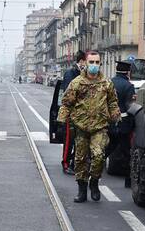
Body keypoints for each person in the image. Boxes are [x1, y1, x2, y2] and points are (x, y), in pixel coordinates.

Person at [57, 51, 121, 203]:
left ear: (100, 64)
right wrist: (61, 120)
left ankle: (94, 182)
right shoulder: (77, 83)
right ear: (85, 63)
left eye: (97, 62)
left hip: (99, 127)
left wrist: (116, 116)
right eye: (91, 62)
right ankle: (82, 189)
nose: (94, 65)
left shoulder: (106, 83)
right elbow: (67, 103)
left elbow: (112, 102)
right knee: (80, 159)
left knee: (98, 155)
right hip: (81, 127)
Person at [108, 59, 136, 186]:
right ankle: (128, 181)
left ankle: (93, 172)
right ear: (127, 72)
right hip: (123, 125)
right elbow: (130, 106)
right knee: (127, 153)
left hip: (109, 123)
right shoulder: (128, 86)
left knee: (106, 149)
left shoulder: (109, 83)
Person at [61, 50, 86, 175]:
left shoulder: (87, 74)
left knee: (80, 141)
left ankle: (75, 163)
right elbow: (67, 94)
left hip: (84, 115)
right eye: (88, 62)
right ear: (81, 61)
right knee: (69, 140)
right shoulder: (70, 73)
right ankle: (65, 163)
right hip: (72, 114)